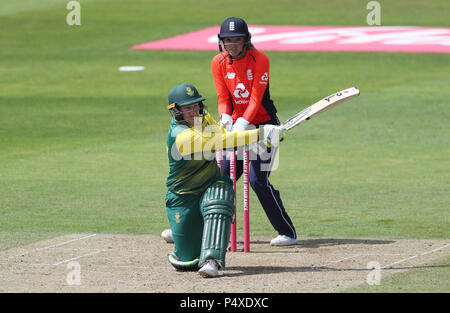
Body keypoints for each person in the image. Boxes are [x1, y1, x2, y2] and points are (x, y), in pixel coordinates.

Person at [164, 83, 284, 277]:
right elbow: (219, 142)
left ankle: (212, 260)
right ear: (176, 111)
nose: (194, 111)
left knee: (220, 194)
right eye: (187, 108)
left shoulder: (204, 119)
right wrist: (261, 134)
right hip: (183, 197)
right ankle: (189, 231)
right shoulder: (180, 135)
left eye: (196, 105)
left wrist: (265, 137)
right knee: (187, 261)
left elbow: (227, 137)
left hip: (209, 185)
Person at [211, 17, 298, 246]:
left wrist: (244, 123)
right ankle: (201, 228)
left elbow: (255, 98)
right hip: (238, 128)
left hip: (264, 128)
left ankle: (287, 232)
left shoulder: (260, 59)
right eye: (227, 41)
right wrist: (225, 117)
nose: (232, 46)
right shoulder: (218, 62)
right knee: (222, 179)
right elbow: (223, 98)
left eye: (237, 41)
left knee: (258, 181)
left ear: (247, 40)